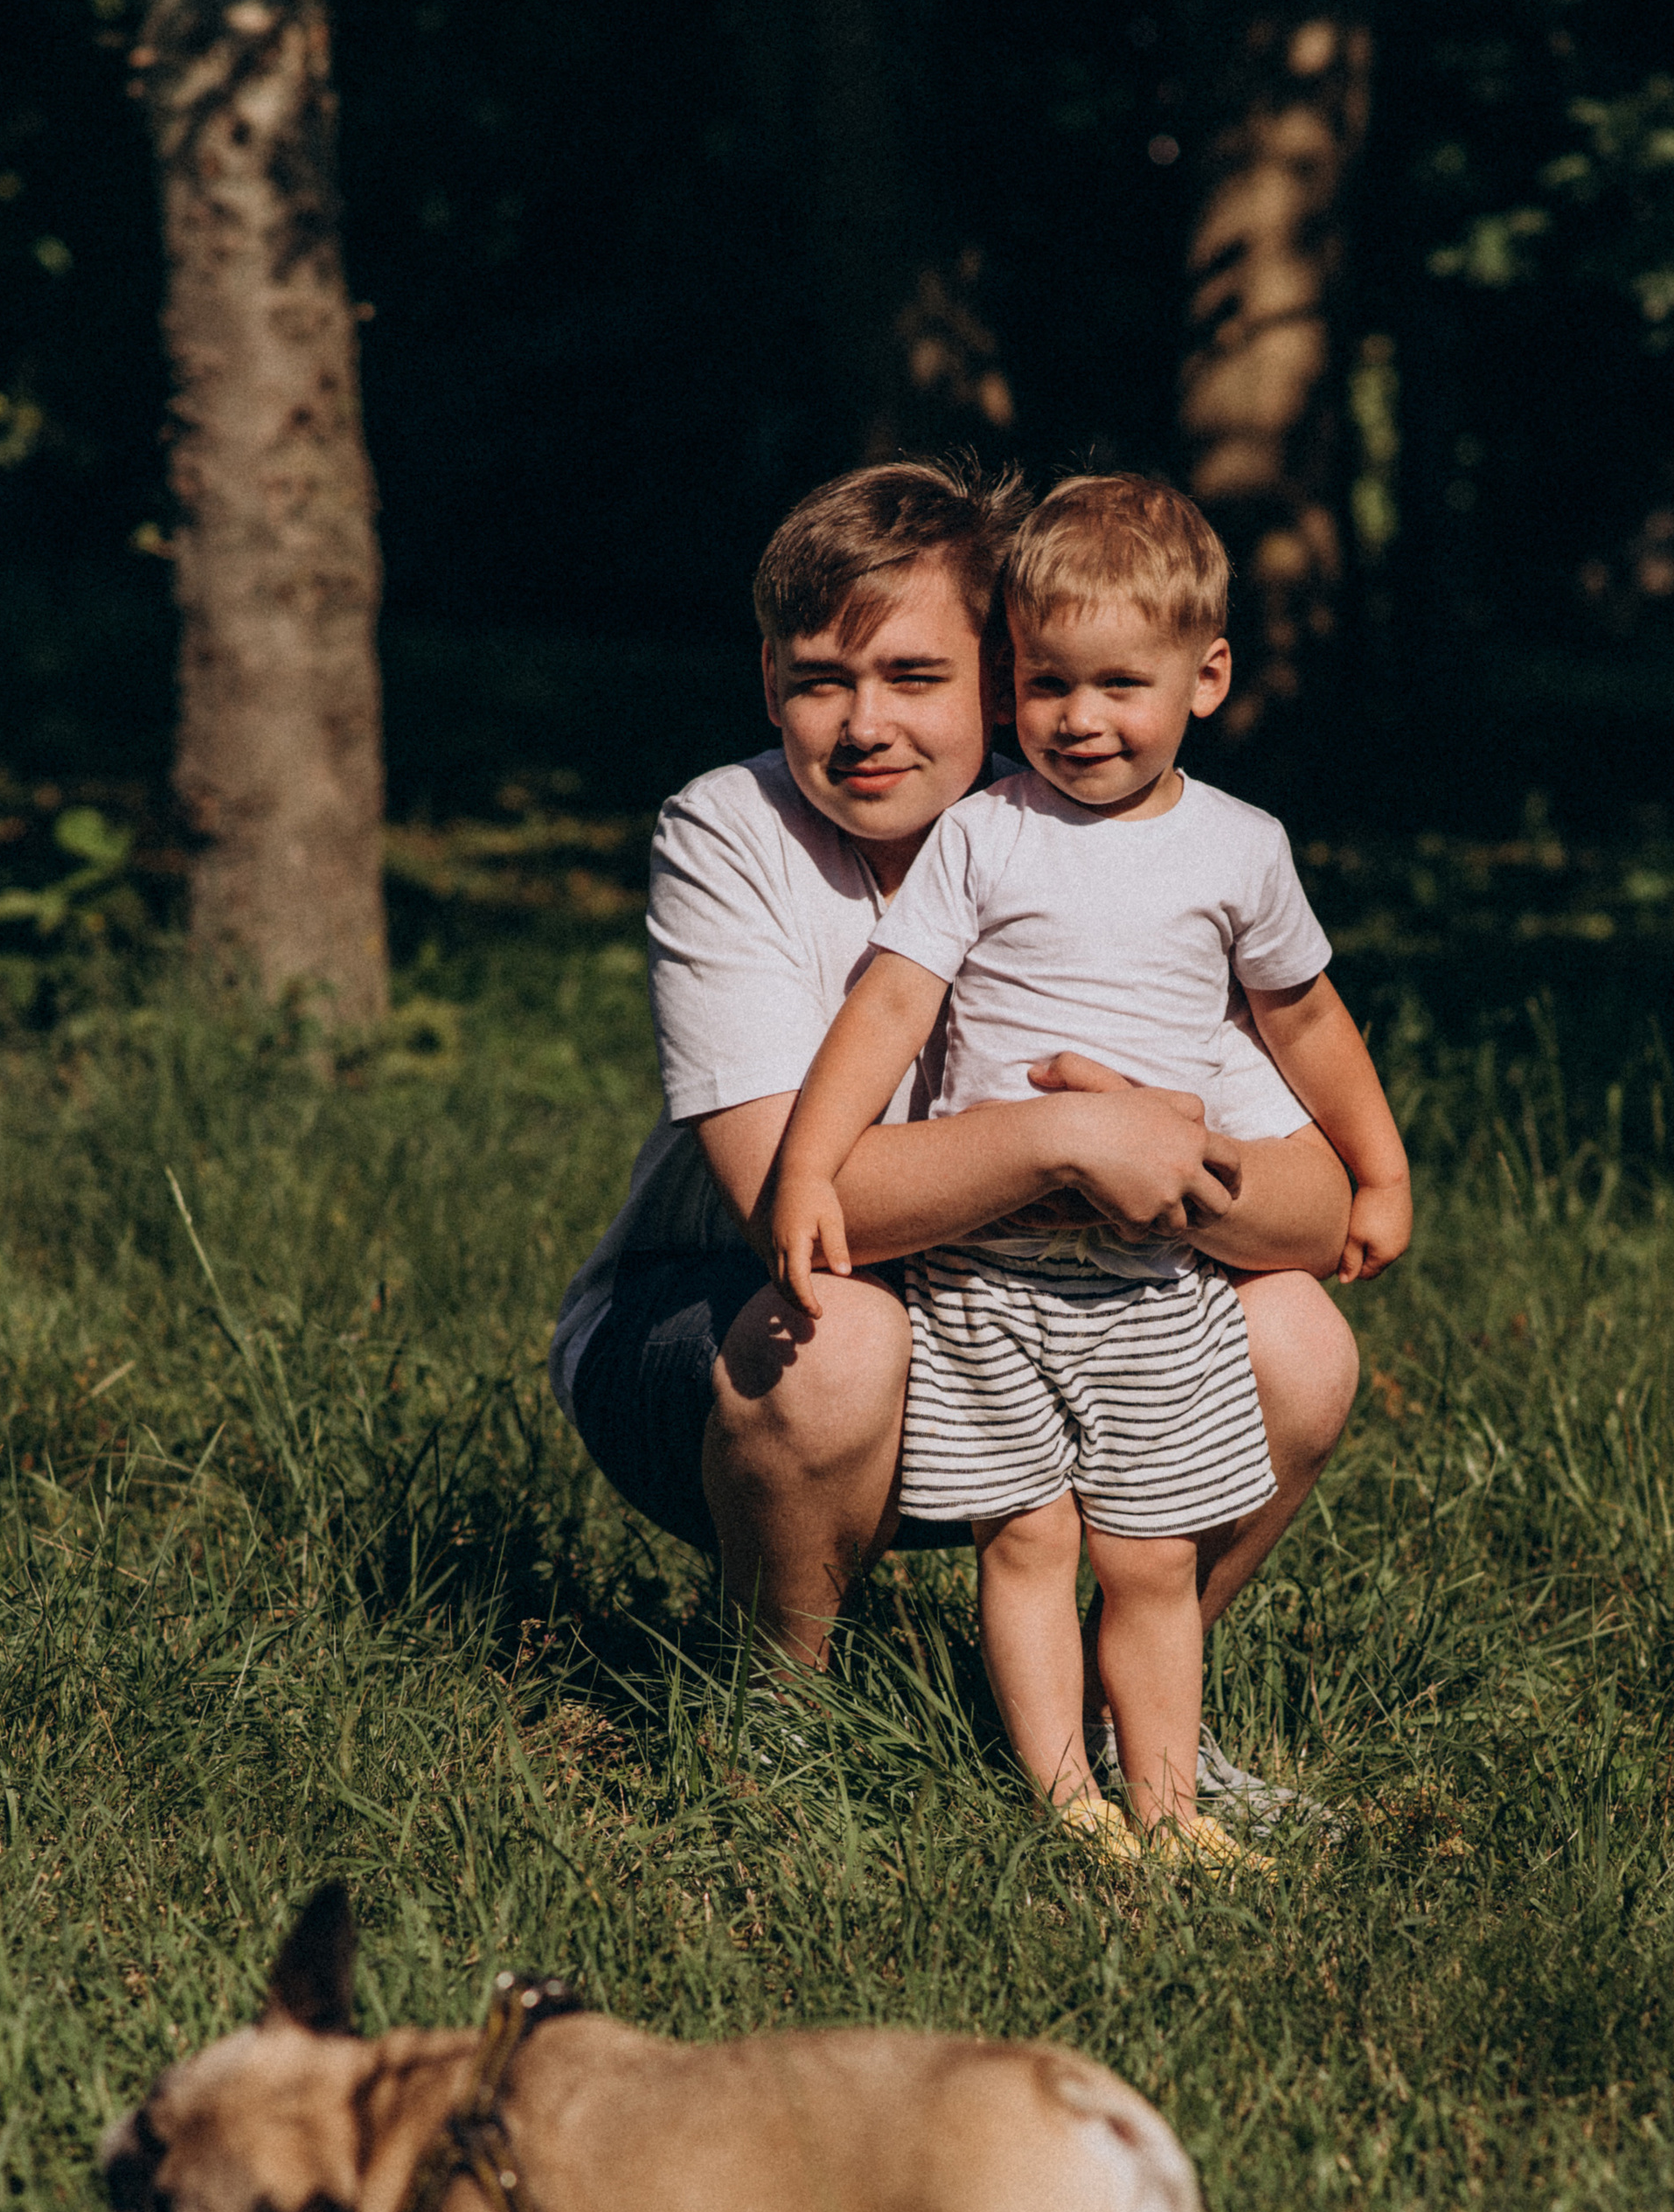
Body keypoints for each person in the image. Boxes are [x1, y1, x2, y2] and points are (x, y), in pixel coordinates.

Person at [549, 456, 1363, 1826]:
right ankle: (774, 1729)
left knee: (1300, 1339)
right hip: (713, 1342)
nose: (864, 723)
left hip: (1028, 1330)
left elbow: (1312, 1212)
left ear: (1003, 676)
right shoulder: (729, 833)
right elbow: (801, 1212)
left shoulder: (1106, 853)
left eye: (916, 677)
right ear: (768, 688)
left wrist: (1174, 1177)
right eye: (820, 679)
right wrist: (1070, 1138)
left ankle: (1134, 1724)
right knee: (843, 1329)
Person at [768, 475, 1410, 1861]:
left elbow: (1304, 1015)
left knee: (1153, 1553)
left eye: (1123, 683)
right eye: (1049, 684)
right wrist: (812, 1167)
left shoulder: (1238, 848)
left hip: (1153, 1274)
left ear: (1208, 676)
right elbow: (888, 1008)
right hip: (992, 1268)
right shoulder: (986, 832)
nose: (1084, 718)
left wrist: (1379, 1168)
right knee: (1031, 1543)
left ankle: (1168, 1806)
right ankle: (1066, 1802)